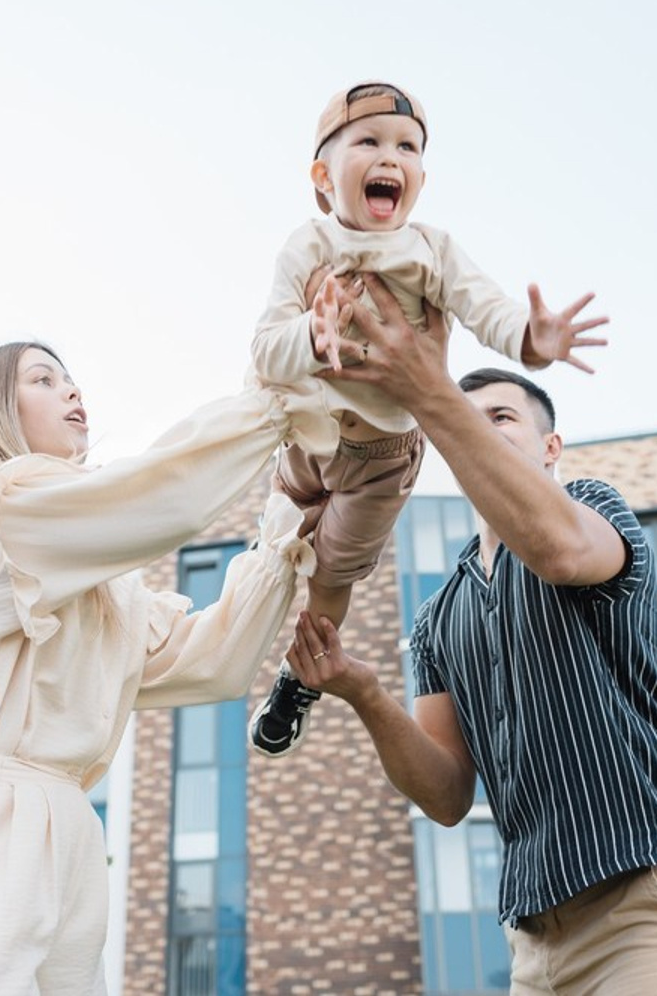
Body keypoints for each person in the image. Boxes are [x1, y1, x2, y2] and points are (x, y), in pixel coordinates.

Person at [286, 277, 657, 994]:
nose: (478, 427)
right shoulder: (438, 617)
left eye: (501, 416)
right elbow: (446, 797)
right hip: (538, 948)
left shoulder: (591, 507)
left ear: (550, 446)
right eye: (467, 419)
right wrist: (364, 692)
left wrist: (428, 386)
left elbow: (561, 551)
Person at [0, 341, 320, 994]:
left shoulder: (98, 582)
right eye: (44, 379)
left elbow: (214, 662)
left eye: (72, 378)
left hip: (64, 820)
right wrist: (279, 400)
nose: (74, 391)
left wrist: (287, 527)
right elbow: (158, 499)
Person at [248, 80, 607, 758]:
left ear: (418, 178)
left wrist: (534, 342)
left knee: (331, 576)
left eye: (407, 148)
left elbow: (487, 309)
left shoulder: (432, 251)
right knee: (276, 542)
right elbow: (266, 348)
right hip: (304, 439)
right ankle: (243, 631)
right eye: (370, 143)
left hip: (377, 461)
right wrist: (314, 337)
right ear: (324, 177)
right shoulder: (306, 248)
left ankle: (300, 681)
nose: (392, 158)